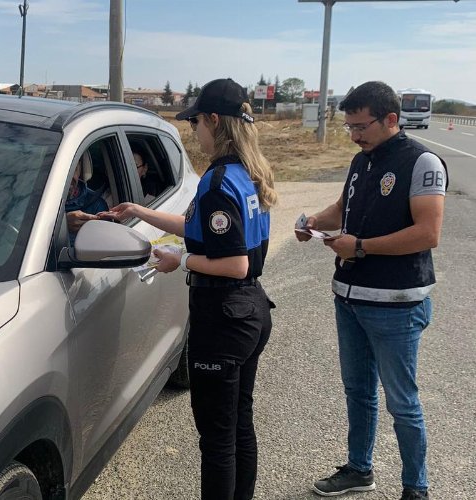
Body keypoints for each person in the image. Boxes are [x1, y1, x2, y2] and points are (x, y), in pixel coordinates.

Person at [105, 78, 277, 500]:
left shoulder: (217, 183)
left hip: (223, 317)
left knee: (217, 438)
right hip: (251, 309)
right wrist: (139, 210)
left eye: (196, 121)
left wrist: (178, 261)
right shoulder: (246, 174)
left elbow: (233, 263)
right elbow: (206, 230)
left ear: (215, 121)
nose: (193, 131)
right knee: (238, 423)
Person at [296, 81, 447, 500]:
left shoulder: (422, 162)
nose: (355, 134)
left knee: (403, 402)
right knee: (358, 391)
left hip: (395, 304)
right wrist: (312, 222)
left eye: (361, 125)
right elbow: (342, 210)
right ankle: (360, 469)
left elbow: (427, 232)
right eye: (349, 127)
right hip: (349, 298)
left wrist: (359, 247)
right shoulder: (361, 160)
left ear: (391, 119)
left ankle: (416, 488)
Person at [65, 152, 108, 241]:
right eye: (61, 171)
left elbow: (102, 245)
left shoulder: (96, 205)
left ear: (79, 169)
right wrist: (63, 225)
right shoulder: (34, 202)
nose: (67, 177)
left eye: (72, 169)